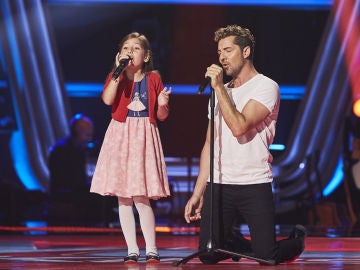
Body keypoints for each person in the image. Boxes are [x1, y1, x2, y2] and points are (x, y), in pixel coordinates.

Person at [184, 24, 306, 265]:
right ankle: (235, 241)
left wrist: (218, 88)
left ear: (246, 51)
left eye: (228, 51)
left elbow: (239, 127)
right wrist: (199, 191)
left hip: (253, 182)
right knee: (208, 255)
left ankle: (297, 240)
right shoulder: (221, 92)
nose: (222, 57)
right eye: (219, 52)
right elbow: (210, 142)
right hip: (220, 183)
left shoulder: (266, 86)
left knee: (267, 257)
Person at [90, 32, 171, 264]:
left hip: (144, 133)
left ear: (146, 56)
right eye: (126, 48)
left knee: (141, 196)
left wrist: (163, 105)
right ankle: (132, 249)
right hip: (121, 134)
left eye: (135, 48)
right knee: (124, 197)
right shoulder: (117, 76)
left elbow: (162, 116)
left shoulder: (154, 78)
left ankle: (152, 248)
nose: (130, 52)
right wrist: (116, 73)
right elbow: (107, 100)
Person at [48, 114, 101, 224]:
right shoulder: (60, 151)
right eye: (87, 135)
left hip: (77, 193)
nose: (90, 139)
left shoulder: (81, 151)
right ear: (76, 133)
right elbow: (64, 182)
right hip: (65, 197)